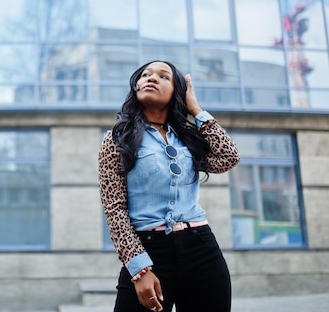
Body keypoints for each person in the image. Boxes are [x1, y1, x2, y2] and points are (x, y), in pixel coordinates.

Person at [98, 60, 240, 312]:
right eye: (145, 74)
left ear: (178, 92)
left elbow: (228, 157)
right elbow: (114, 208)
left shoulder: (188, 137)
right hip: (149, 250)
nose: (151, 78)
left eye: (164, 76)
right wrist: (139, 268)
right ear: (136, 86)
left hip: (201, 248)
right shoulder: (117, 138)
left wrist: (196, 109)